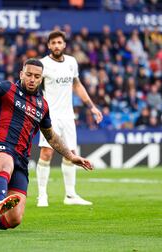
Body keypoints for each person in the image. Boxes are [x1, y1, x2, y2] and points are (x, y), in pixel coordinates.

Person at [0, 58, 93, 230]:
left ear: (41, 79)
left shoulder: (42, 106)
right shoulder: (7, 89)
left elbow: (51, 136)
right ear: (21, 74)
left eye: (36, 76)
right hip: (1, 145)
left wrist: (71, 156)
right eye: (28, 75)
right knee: (5, 165)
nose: (32, 79)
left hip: (22, 158)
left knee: (14, 220)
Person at [36, 30, 103, 207]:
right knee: (46, 152)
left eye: (59, 42)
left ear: (64, 45)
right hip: (49, 116)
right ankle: (42, 195)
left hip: (67, 116)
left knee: (71, 154)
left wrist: (92, 107)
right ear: (49, 45)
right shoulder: (43, 64)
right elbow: (33, 87)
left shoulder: (72, 62)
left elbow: (77, 85)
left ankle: (71, 195)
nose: (57, 45)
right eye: (53, 43)